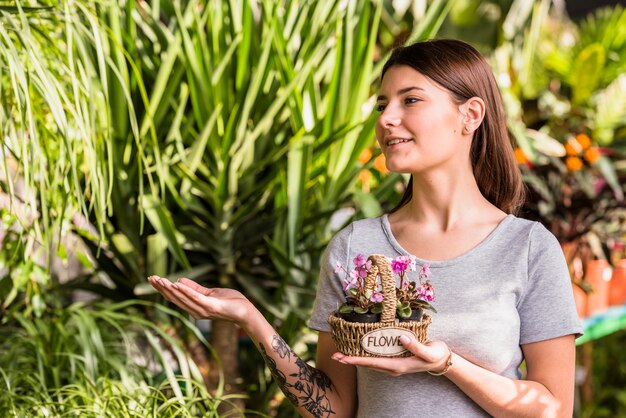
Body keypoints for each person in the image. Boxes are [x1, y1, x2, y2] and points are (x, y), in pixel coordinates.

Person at [149, 39, 583, 417]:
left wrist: (445, 363)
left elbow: (553, 409)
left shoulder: (527, 249)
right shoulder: (357, 247)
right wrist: (251, 320)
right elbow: (334, 409)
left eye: (410, 100)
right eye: (382, 105)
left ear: (469, 115)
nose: (386, 119)